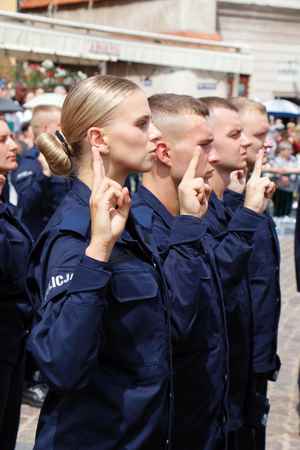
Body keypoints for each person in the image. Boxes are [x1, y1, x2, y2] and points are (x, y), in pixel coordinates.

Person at [24, 74, 192, 449]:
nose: (155, 136)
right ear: (99, 139)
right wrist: (97, 252)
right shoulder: (74, 236)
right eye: (142, 124)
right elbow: (63, 368)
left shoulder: (126, 218)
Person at [131, 94, 228, 449]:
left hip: (206, 422)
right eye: (204, 146)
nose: (213, 157)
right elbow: (171, 329)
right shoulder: (141, 230)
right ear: (164, 153)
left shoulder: (192, 217)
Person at [200, 96, 275, 448]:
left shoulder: (238, 204)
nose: (249, 141)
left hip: (246, 363)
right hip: (216, 378)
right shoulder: (206, 212)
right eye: (238, 133)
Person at [224, 97, 281, 450]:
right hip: (234, 361)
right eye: (260, 134)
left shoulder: (254, 192)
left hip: (257, 355)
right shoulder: (223, 204)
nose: (267, 142)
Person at [0, 119, 33, 450]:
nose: (14, 145)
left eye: (11, 137)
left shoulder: (5, 192)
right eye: (2, 139)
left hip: (13, 343)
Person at [12, 105, 71, 241]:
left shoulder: (62, 158)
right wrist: (44, 174)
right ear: (45, 129)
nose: (65, 130)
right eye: (60, 125)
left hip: (62, 235)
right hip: (41, 239)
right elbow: (28, 205)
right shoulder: (29, 162)